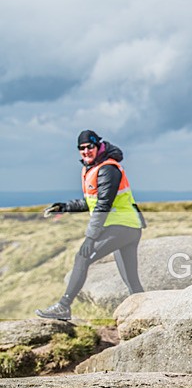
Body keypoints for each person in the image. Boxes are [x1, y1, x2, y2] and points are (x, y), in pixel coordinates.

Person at [35, 130, 145, 320]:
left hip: (122, 227)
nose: (86, 151)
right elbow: (91, 201)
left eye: (89, 147)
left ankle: (63, 306)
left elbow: (103, 205)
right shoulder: (92, 168)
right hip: (126, 227)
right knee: (132, 283)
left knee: (82, 258)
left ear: (98, 146)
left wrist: (91, 237)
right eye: (81, 148)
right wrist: (65, 206)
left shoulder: (108, 169)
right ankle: (145, 315)